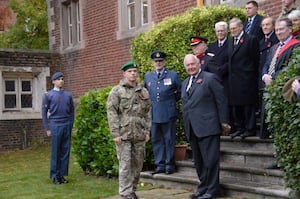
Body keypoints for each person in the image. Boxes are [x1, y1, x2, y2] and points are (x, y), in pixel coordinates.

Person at [181, 54, 230, 199]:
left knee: (211, 160)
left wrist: (224, 122)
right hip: (192, 127)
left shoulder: (210, 78)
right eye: (188, 65)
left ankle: (212, 190)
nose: (191, 67)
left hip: (208, 126)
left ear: (199, 64)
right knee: (199, 161)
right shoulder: (185, 83)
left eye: (192, 64)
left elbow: (221, 100)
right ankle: (203, 186)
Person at [107, 61, 151, 199]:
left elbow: (148, 112)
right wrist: (115, 133)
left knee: (137, 165)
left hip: (139, 134)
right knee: (125, 166)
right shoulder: (117, 91)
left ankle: (132, 190)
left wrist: (147, 131)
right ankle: (125, 193)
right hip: (124, 134)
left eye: (135, 71)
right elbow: (112, 112)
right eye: (130, 71)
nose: (133, 73)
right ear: (124, 74)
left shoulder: (143, 91)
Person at [261, 18, 300, 168]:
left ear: (290, 29)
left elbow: (291, 68)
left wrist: (274, 77)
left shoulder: (296, 46)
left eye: (281, 29)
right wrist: (264, 76)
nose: (278, 32)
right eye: (276, 30)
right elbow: (266, 65)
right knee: (276, 125)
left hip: (285, 91)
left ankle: (287, 159)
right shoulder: (274, 47)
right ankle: (279, 157)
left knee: (285, 126)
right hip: (271, 92)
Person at [144, 50, 182, 175]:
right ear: (153, 63)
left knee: (169, 139)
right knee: (156, 139)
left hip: (168, 112)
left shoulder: (172, 75)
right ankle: (159, 164)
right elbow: (145, 94)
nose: (158, 63)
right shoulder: (148, 76)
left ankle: (169, 164)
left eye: (160, 61)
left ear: (164, 62)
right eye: (156, 61)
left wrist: (171, 102)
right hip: (154, 113)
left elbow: (180, 92)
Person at [227, 18, 260, 139]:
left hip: (246, 79)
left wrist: (251, 75)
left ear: (241, 27)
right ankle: (239, 128)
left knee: (247, 106)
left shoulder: (251, 40)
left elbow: (255, 60)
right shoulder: (230, 41)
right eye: (231, 29)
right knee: (236, 106)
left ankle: (249, 129)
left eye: (234, 28)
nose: (232, 31)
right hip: (233, 80)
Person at [41, 72, 75, 185]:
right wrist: (47, 128)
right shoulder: (48, 95)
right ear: (53, 81)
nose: (61, 81)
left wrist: (71, 124)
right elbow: (44, 112)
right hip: (55, 125)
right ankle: (55, 176)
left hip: (66, 125)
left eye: (62, 79)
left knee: (65, 151)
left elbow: (71, 111)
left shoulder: (68, 95)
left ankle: (62, 175)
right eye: (59, 79)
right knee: (56, 151)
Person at [258, 17, 279, 139]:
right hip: (264, 77)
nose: (265, 27)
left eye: (268, 25)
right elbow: (263, 62)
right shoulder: (261, 41)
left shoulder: (276, 40)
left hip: (276, 80)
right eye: (263, 25)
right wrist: (264, 74)